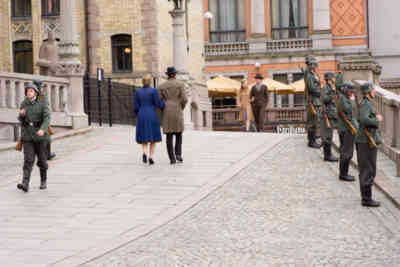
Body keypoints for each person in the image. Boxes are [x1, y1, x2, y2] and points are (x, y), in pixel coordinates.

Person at [17, 83, 51, 192]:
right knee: (28, 160)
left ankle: (43, 180)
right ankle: (25, 183)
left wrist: (43, 129)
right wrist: (21, 115)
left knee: (42, 161)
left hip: (40, 136)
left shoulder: (42, 103)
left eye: (31, 91)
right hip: (28, 136)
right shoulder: (24, 103)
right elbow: (21, 121)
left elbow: (47, 118)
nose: (28, 93)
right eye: (27, 91)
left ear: (35, 93)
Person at [355, 83, 383, 207]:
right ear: (368, 91)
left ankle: (366, 197)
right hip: (366, 141)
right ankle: (366, 199)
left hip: (366, 140)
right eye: (373, 90)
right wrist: (377, 119)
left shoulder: (366, 102)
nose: (374, 92)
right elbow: (363, 119)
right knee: (368, 169)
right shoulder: (366, 103)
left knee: (367, 168)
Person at [133, 74, 165, 165]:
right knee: (153, 138)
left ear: (142, 81)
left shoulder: (138, 91)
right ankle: (151, 157)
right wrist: (164, 105)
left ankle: (144, 153)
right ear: (150, 81)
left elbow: (135, 106)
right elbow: (158, 103)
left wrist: (137, 114)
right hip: (151, 114)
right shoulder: (154, 91)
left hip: (142, 114)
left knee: (144, 136)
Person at [159, 67, 188, 164]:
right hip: (177, 109)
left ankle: (172, 158)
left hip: (167, 110)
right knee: (179, 133)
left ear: (167, 75)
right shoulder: (180, 84)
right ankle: (178, 154)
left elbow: (159, 101)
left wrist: (164, 107)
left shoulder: (162, 86)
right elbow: (184, 99)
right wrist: (181, 107)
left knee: (169, 135)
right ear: (175, 74)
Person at [336, 82, 359, 182]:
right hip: (346, 129)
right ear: (346, 90)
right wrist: (353, 101)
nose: (352, 92)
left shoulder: (344, 97)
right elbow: (348, 109)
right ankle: (343, 174)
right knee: (347, 152)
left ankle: (343, 173)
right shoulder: (343, 98)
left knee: (345, 151)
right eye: (350, 90)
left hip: (345, 128)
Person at [33, 79, 56, 160]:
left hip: (37, 120)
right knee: (46, 138)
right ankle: (47, 154)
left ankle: (46, 154)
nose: (41, 88)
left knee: (46, 137)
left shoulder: (32, 94)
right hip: (40, 120)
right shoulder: (41, 95)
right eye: (41, 86)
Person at [320, 72, 339, 162]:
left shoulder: (331, 87)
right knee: (327, 135)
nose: (334, 79)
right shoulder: (326, 88)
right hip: (327, 114)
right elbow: (324, 99)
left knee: (329, 135)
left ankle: (328, 154)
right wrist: (332, 93)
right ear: (329, 79)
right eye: (333, 77)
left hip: (332, 114)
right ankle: (327, 156)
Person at [305, 60, 322, 148]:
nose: (316, 68)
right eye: (315, 66)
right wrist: (320, 91)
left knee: (315, 121)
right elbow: (312, 88)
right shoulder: (310, 76)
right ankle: (311, 141)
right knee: (312, 121)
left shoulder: (315, 75)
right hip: (313, 100)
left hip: (316, 101)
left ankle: (313, 139)